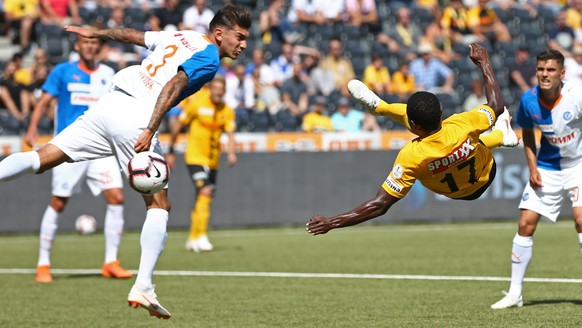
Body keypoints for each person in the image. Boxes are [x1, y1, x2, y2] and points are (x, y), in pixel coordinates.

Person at [0, 4, 252, 319]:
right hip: (137, 116)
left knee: (43, 156)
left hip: (110, 102)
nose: (243, 45)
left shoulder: (183, 36)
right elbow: (173, 85)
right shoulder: (210, 58)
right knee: (160, 206)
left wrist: (97, 32)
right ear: (219, 33)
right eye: (239, 37)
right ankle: (144, 285)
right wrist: (149, 128)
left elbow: (133, 35)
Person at [306, 43, 518, 236]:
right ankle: (500, 136)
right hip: (487, 173)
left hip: (458, 193)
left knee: (444, 150)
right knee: (470, 143)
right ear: (442, 111)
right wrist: (484, 62)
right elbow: (497, 105)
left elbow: (379, 205)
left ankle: (380, 107)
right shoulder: (463, 124)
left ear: (413, 126)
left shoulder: (411, 156)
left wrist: (331, 222)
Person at [23, 30, 132, 284]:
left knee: (116, 197)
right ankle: (43, 263)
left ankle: (111, 262)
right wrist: (32, 129)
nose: (90, 46)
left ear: (100, 47)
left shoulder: (109, 75)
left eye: (94, 42)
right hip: (69, 146)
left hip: (101, 147)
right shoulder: (62, 71)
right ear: (78, 45)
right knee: (59, 202)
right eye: (86, 42)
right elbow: (44, 101)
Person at [491, 49, 582, 309]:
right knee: (525, 223)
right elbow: (528, 135)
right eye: (541, 69)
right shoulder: (528, 100)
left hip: (578, 165)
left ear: (562, 73)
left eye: (551, 70)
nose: (544, 74)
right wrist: (533, 168)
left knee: (580, 219)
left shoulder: (576, 96)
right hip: (548, 167)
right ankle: (514, 293)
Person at [166, 76, 236, 253]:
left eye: (222, 90)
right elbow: (178, 126)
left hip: (213, 160)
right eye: (216, 89)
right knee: (205, 191)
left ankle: (193, 238)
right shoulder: (197, 104)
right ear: (211, 89)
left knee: (204, 197)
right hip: (195, 157)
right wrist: (171, 151)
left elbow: (230, 133)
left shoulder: (226, 110)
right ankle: (202, 236)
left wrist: (232, 152)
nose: (218, 93)